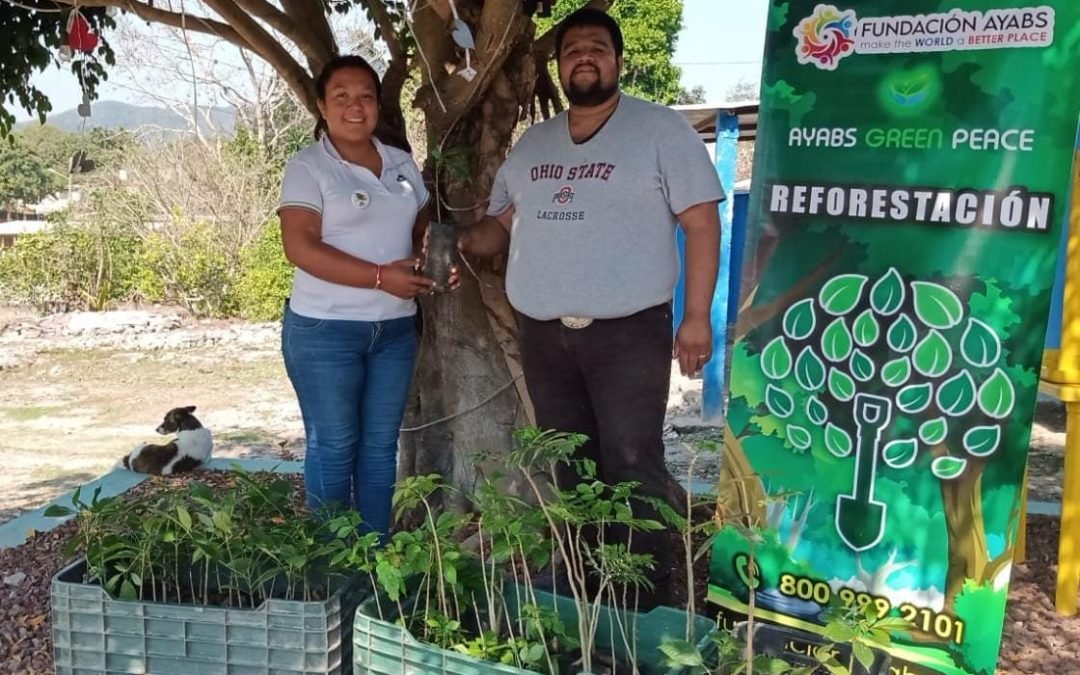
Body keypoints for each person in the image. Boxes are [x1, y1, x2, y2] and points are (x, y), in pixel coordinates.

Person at [459, 8, 724, 605]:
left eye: (597, 48)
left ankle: (646, 593)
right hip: (544, 334)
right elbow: (500, 224)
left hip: (628, 332)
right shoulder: (535, 144)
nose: (584, 56)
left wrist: (697, 316)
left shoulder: (661, 132)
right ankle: (582, 579)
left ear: (618, 61)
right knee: (568, 460)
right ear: (558, 66)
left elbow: (703, 223)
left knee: (632, 459)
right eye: (573, 49)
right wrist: (462, 241)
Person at [277, 55, 437, 543]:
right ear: (323, 106)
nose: (355, 106)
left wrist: (431, 259)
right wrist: (378, 277)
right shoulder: (309, 168)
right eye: (341, 96)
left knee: (378, 448)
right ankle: (332, 562)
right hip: (326, 331)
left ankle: (373, 557)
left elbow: (421, 227)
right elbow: (299, 247)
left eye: (365, 95)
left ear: (377, 104)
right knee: (335, 446)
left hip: (393, 331)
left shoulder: (401, 163)